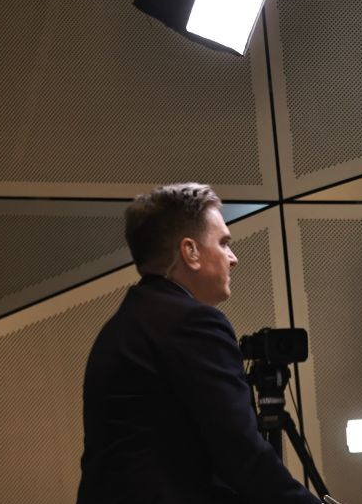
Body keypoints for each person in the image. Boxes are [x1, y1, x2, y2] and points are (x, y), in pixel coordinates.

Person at [77, 183, 323, 504]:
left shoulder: (122, 326)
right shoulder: (193, 323)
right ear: (190, 251)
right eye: (223, 243)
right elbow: (243, 456)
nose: (233, 258)